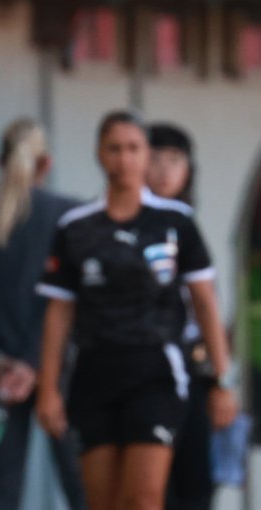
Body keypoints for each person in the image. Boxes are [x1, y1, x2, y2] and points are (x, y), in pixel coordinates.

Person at [36, 111, 239, 510]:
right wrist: (48, 390)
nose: (124, 159)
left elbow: (205, 301)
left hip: (157, 370)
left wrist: (222, 379)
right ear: (99, 154)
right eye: (115, 148)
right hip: (94, 370)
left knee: (143, 498)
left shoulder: (174, 222)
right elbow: (59, 314)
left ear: (145, 156)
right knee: (101, 500)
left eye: (134, 149)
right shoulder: (75, 226)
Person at [0, 118, 86, 510]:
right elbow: (68, 301)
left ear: (0, 159)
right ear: (47, 163)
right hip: (62, 374)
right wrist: (35, 363)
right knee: (80, 484)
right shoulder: (70, 215)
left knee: (2, 487)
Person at [147, 123, 213, 510]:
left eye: (175, 160)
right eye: (155, 159)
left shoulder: (188, 223)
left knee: (196, 484)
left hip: (195, 369)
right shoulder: (118, 225)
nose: (166, 170)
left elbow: (205, 304)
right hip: (146, 369)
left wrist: (221, 377)